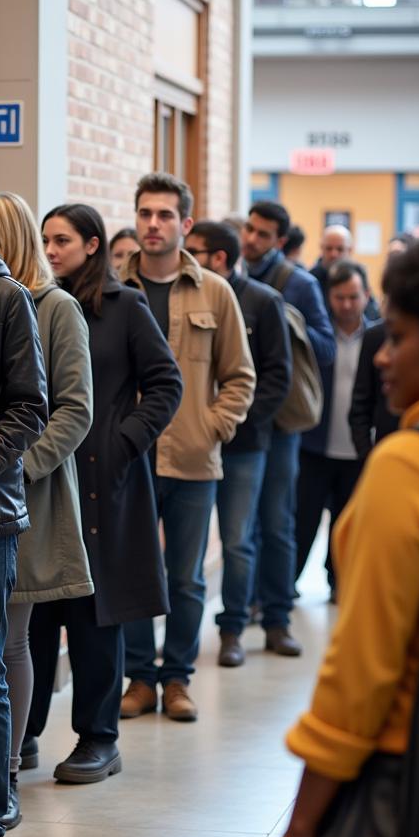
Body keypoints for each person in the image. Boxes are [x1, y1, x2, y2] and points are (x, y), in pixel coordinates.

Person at [256, 241, 419, 837]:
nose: (384, 354)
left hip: (394, 796)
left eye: (404, 333)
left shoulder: (403, 471)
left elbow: (360, 680)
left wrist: (299, 832)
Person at [24, 202, 182, 775]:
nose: (52, 249)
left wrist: (124, 441)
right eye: (46, 239)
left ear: (93, 245)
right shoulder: (35, 305)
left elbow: (166, 382)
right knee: (37, 614)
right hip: (48, 481)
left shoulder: (125, 306)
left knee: (96, 614)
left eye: (62, 239)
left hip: (105, 483)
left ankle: (99, 737)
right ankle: (25, 734)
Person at [120, 173, 255, 722]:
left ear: (186, 224)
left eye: (165, 215)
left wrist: (212, 426)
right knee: (131, 570)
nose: (153, 224)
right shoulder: (110, 288)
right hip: (129, 456)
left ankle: (176, 679)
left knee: (185, 575)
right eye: (146, 213)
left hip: (194, 460)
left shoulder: (214, 292)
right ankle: (139, 679)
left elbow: (240, 376)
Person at [0, 192, 93, 794]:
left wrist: (18, 466)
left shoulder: (56, 308)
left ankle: (5, 764)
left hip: (28, 495)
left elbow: (75, 410)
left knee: (11, 638)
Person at [185, 221, 292, 668]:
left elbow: (276, 377)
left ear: (220, 259)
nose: (185, 257)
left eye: (194, 250)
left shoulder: (263, 302)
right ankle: (179, 644)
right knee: (187, 549)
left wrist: (224, 422)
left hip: (243, 445)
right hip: (189, 443)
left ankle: (233, 630)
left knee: (237, 540)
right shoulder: (185, 295)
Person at [241, 201, 335, 657]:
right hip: (239, 417)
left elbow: (326, 346)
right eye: (250, 230)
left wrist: (286, 323)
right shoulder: (229, 277)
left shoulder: (300, 284)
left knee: (277, 521)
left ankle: (278, 616)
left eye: (262, 234)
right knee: (243, 526)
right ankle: (245, 610)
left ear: (280, 241)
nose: (252, 239)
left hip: (280, 423)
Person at [294, 260, 375, 603]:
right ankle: (287, 586)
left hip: (358, 450)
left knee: (347, 525)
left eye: (353, 297)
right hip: (314, 446)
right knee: (303, 521)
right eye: (339, 297)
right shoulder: (320, 340)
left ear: (366, 296)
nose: (346, 304)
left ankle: (338, 584)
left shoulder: (377, 338)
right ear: (329, 297)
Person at [349, 318, 399, 459]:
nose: (380, 358)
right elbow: (361, 406)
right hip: (386, 456)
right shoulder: (375, 336)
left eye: (397, 339)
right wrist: (368, 455)